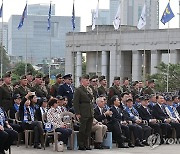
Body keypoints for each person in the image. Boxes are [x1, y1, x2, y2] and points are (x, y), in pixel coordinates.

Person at [73, 74, 94, 150]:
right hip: (83, 111)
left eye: (88, 80)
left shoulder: (89, 89)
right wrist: (77, 113)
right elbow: (75, 102)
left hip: (89, 111)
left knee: (88, 130)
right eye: (86, 80)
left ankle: (86, 144)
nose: (88, 81)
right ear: (82, 81)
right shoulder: (79, 90)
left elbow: (91, 99)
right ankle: (81, 144)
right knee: (82, 129)